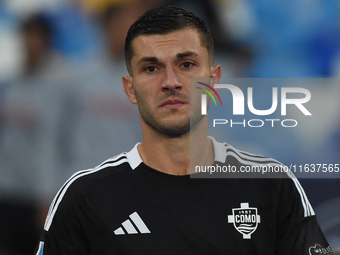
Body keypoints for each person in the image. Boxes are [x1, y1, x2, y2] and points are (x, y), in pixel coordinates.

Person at [34, 5, 333, 255]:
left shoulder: (272, 186)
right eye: (151, 68)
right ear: (130, 89)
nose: (171, 82)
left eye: (187, 64)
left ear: (214, 79)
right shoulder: (83, 198)